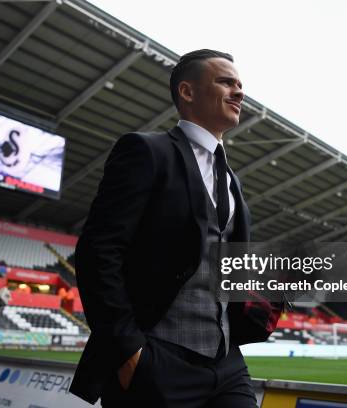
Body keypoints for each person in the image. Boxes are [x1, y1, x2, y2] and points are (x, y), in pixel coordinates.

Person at [70, 49, 282, 407]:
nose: (239, 91)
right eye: (226, 82)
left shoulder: (232, 180)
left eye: (241, 84)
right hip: (157, 358)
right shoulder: (146, 151)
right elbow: (98, 251)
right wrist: (129, 352)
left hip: (227, 363)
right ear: (187, 92)